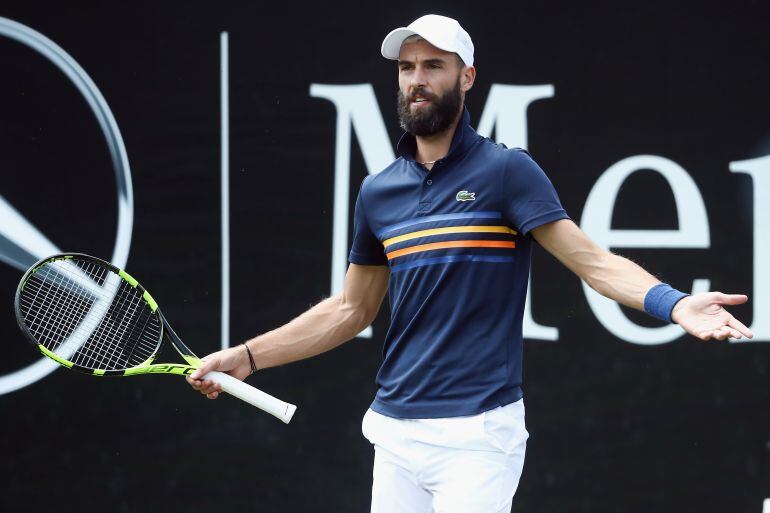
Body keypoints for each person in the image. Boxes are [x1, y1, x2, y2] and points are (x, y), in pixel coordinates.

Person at [187, 14, 753, 513]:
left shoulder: (507, 172)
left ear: (466, 78)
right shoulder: (377, 193)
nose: (416, 80)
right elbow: (350, 309)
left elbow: (593, 263)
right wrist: (248, 357)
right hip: (393, 435)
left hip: (479, 438)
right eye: (407, 67)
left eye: (434, 65)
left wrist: (674, 303)